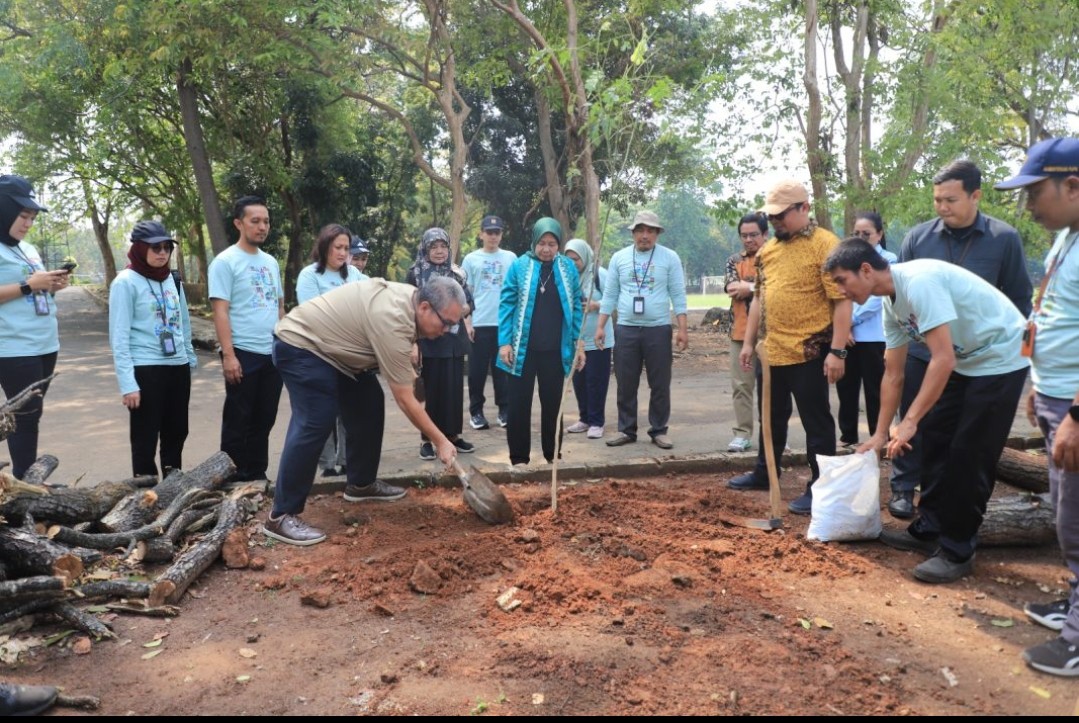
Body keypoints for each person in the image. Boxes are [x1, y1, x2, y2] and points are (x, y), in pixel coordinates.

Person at [825, 239, 1029, 583]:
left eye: (842, 281)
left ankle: (957, 550)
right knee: (934, 437)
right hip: (966, 361)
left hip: (1001, 356)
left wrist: (908, 421)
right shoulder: (891, 304)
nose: (841, 291)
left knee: (970, 452)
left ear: (865, 270)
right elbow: (894, 373)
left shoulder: (918, 283)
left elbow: (942, 358)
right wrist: (879, 434)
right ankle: (930, 527)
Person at [265, 276, 466, 545]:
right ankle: (280, 515)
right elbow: (406, 399)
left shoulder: (411, 302)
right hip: (303, 346)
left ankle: (360, 484)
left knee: (369, 401)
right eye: (447, 323)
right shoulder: (392, 320)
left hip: (339, 353)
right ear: (425, 308)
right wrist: (441, 440)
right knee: (315, 420)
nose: (447, 330)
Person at [888, 160, 1033, 519]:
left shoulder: (1004, 239)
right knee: (921, 425)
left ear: (976, 196)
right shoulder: (918, 238)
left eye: (950, 200)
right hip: (926, 352)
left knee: (967, 440)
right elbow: (899, 294)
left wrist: (1025, 359)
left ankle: (953, 524)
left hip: (982, 358)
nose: (942, 207)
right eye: (937, 200)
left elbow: (1018, 303)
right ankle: (906, 491)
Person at [992, 138, 1079, 676]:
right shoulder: (1067, 237)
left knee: (1077, 516)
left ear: (1072, 185)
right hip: (1055, 393)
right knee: (1066, 510)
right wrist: (1038, 384)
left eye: (1035, 193)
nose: (1029, 207)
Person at [727, 179, 850, 516]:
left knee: (817, 422)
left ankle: (820, 484)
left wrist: (838, 351)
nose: (776, 221)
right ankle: (765, 472)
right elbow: (759, 301)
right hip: (773, 351)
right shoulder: (768, 252)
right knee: (771, 417)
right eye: (773, 216)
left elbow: (841, 302)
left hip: (810, 351)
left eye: (782, 215)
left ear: (804, 209)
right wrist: (749, 343)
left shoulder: (827, 246)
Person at [108, 221, 197, 477]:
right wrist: (128, 383)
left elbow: (184, 322)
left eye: (167, 247)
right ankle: (145, 493)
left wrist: (188, 359)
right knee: (145, 436)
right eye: (155, 247)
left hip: (177, 366)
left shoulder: (173, 279)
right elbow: (119, 336)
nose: (162, 253)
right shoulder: (125, 283)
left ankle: (173, 483)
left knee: (177, 431)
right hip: (146, 368)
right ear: (139, 248)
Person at [595, 211, 688, 450]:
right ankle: (626, 429)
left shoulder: (670, 258)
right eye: (640, 230)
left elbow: (678, 294)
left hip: (658, 328)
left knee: (660, 382)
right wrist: (600, 326)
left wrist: (682, 329)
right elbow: (610, 295)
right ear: (633, 233)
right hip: (626, 328)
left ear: (657, 234)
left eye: (650, 231)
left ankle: (659, 430)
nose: (644, 236)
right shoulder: (619, 258)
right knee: (626, 382)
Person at [208, 196, 284, 483]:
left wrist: (285, 344)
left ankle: (257, 474)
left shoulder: (270, 262)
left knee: (264, 418)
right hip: (242, 351)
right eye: (255, 221)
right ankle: (231, 477)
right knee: (238, 419)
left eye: (266, 221)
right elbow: (220, 311)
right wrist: (229, 355)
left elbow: (278, 307)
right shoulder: (225, 262)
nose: (262, 226)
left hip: (272, 352)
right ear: (239, 223)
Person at [0, 174, 69, 479]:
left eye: (31, 217)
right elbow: (25, 286)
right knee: (24, 417)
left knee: (33, 414)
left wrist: (51, 285)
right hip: (14, 346)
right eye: (23, 215)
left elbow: (35, 285)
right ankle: (24, 484)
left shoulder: (27, 249)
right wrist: (29, 285)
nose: (27, 223)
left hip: (45, 344)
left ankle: (26, 481)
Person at [498, 217, 582, 465]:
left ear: (559, 245)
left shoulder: (568, 268)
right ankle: (519, 459)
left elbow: (577, 307)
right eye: (542, 243)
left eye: (552, 244)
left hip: (555, 352)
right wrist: (504, 342)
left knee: (554, 407)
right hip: (521, 351)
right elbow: (506, 305)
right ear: (534, 241)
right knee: (518, 407)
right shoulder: (519, 266)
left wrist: (578, 342)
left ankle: (552, 456)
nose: (546, 249)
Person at [296, 224, 365, 478]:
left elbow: (371, 300)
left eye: (346, 248)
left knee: (349, 413)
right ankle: (326, 465)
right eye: (338, 247)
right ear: (325, 246)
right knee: (324, 411)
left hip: (350, 355)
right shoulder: (310, 275)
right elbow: (313, 314)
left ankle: (347, 460)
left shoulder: (354, 275)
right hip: (320, 354)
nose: (342, 253)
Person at [406, 228, 475, 460]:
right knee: (431, 392)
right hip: (428, 340)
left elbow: (469, 303)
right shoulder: (415, 273)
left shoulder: (457, 273)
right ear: (425, 249)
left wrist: (455, 313)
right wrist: (413, 344)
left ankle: (453, 436)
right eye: (433, 247)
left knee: (454, 392)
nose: (439, 251)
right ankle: (427, 439)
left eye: (443, 247)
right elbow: (409, 310)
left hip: (454, 340)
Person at [835, 212, 897, 448]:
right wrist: (844, 328)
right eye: (857, 234)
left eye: (867, 234)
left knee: (876, 388)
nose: (861, 238)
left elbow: (876, 299)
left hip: (875, 336)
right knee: (846, 387)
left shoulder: (889, 259)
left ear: (879, 234)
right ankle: (848, 436)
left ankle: (878, 435)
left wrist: (849, 321)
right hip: (849, 338)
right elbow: (840, 295)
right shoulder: (847, 260)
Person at [461, 215, 516, 430]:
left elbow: (517, 291)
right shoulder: (471, 259)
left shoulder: (511, 258)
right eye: (489, 232)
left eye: (497, 232)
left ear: (502, 234)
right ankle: (476, 413)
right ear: (481, 234)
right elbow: (466, 293)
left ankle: (505, 410)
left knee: (502, 370)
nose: (493, 236)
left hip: (503, 324)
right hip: (479, 323)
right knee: (476, 372)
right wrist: (468, 323)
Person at [723, 212, 765, 453]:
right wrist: (758, 287)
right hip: (740, 333)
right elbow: (731, 288)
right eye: (744, 235)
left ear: (765, 234)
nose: (748, 240)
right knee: (741, 385)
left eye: (753, 235)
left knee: (773, 387)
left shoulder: (774, 258)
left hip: (771, 334)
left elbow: (777, 287)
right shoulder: (733, 260)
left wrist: (748, 287)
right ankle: (742, 433)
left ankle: (775, 433)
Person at [564, 238, 613, 439]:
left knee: (596, 381)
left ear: (585, 256)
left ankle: (596, 422)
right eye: (569, 259)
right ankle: (584, 418)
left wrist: (596, 305)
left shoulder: (599, 275)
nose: (574, 263)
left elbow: (614, 299)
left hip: (598, 340)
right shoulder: (567, 277)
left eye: (577, 258)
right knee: (580, 381)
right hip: (577, 340)